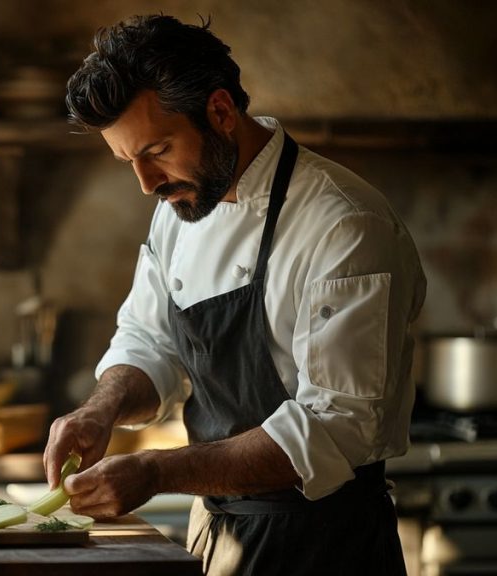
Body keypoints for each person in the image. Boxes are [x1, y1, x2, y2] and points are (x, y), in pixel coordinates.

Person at [43, 14, 426, 576]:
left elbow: (335, 427)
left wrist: (155, 472)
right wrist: (102, 409)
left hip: (324, 547)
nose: (147, 183)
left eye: (158, 150)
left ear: (221, 112)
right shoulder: (179, 209)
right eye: (129, 162)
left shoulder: (344, 223)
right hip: (217, 537)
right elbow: (152, 343)